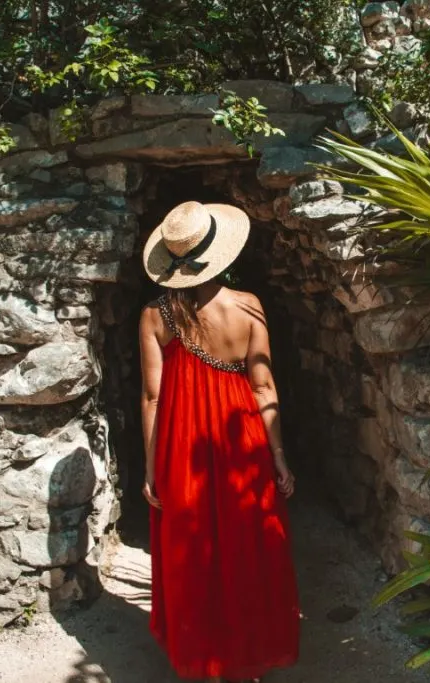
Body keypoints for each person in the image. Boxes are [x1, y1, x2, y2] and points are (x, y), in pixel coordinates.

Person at [139, 200, 301, 682]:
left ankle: (203, 660)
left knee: (192, 548)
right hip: (242, 438)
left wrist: (151, 468)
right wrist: (279, 458)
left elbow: (152, 397)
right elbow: (264, 387)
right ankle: (247, 658)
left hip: (180, 445)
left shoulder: (154, 315)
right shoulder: (249, 306)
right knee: (247, 545)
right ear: (220, 256)